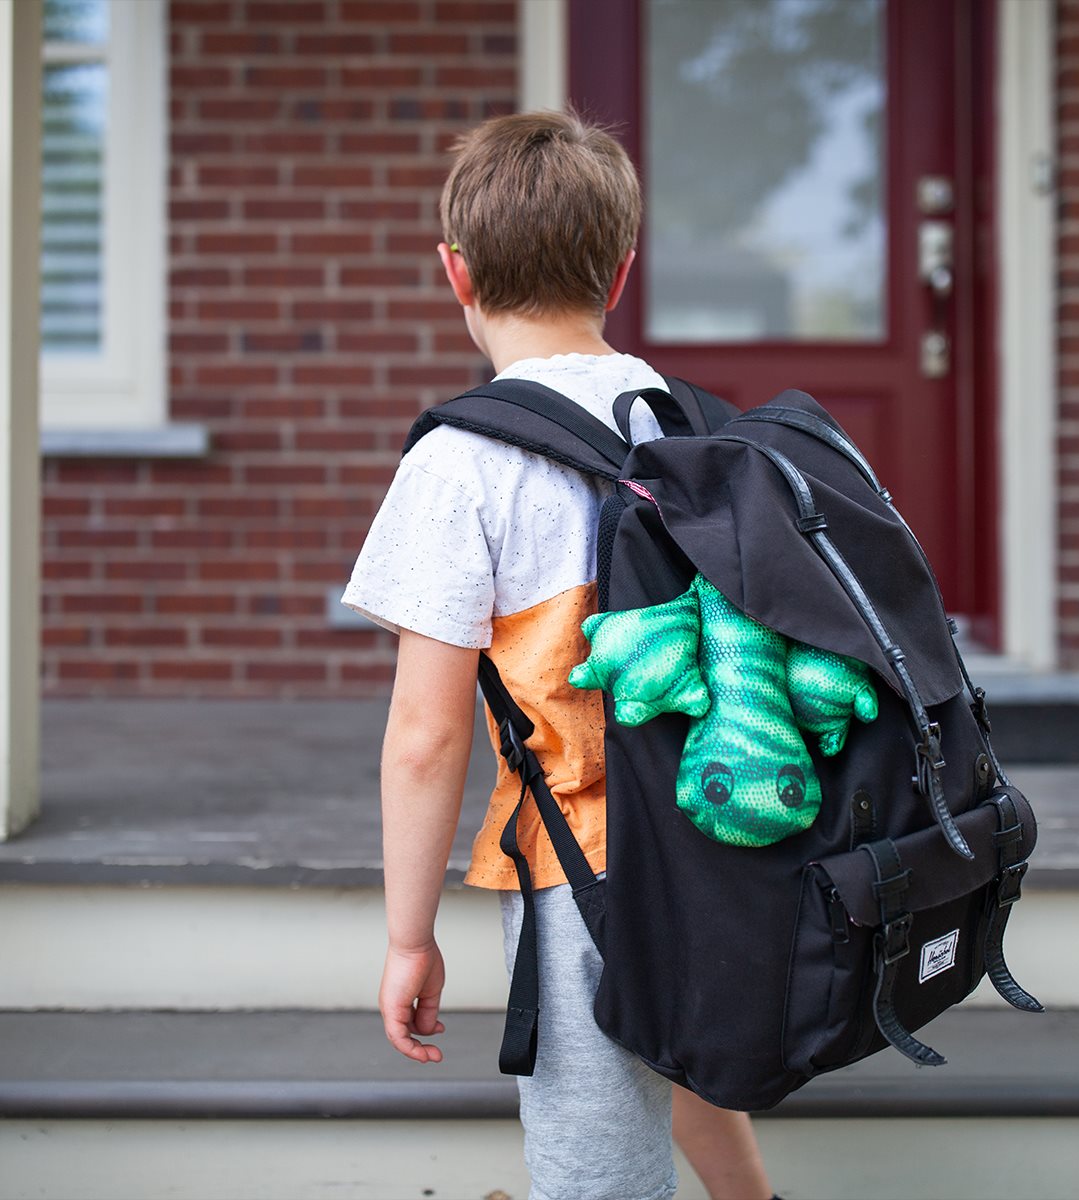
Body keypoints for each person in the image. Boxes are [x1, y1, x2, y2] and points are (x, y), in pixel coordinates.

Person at [341, 109, 778, 1200]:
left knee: (596, 1171)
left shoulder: (461, 461)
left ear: (457, 273)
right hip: (719, 829)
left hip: (583, 858)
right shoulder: (684, 424)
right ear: (621, 270)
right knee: (671, 1039)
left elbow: (427, 731)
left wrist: (409, 936)